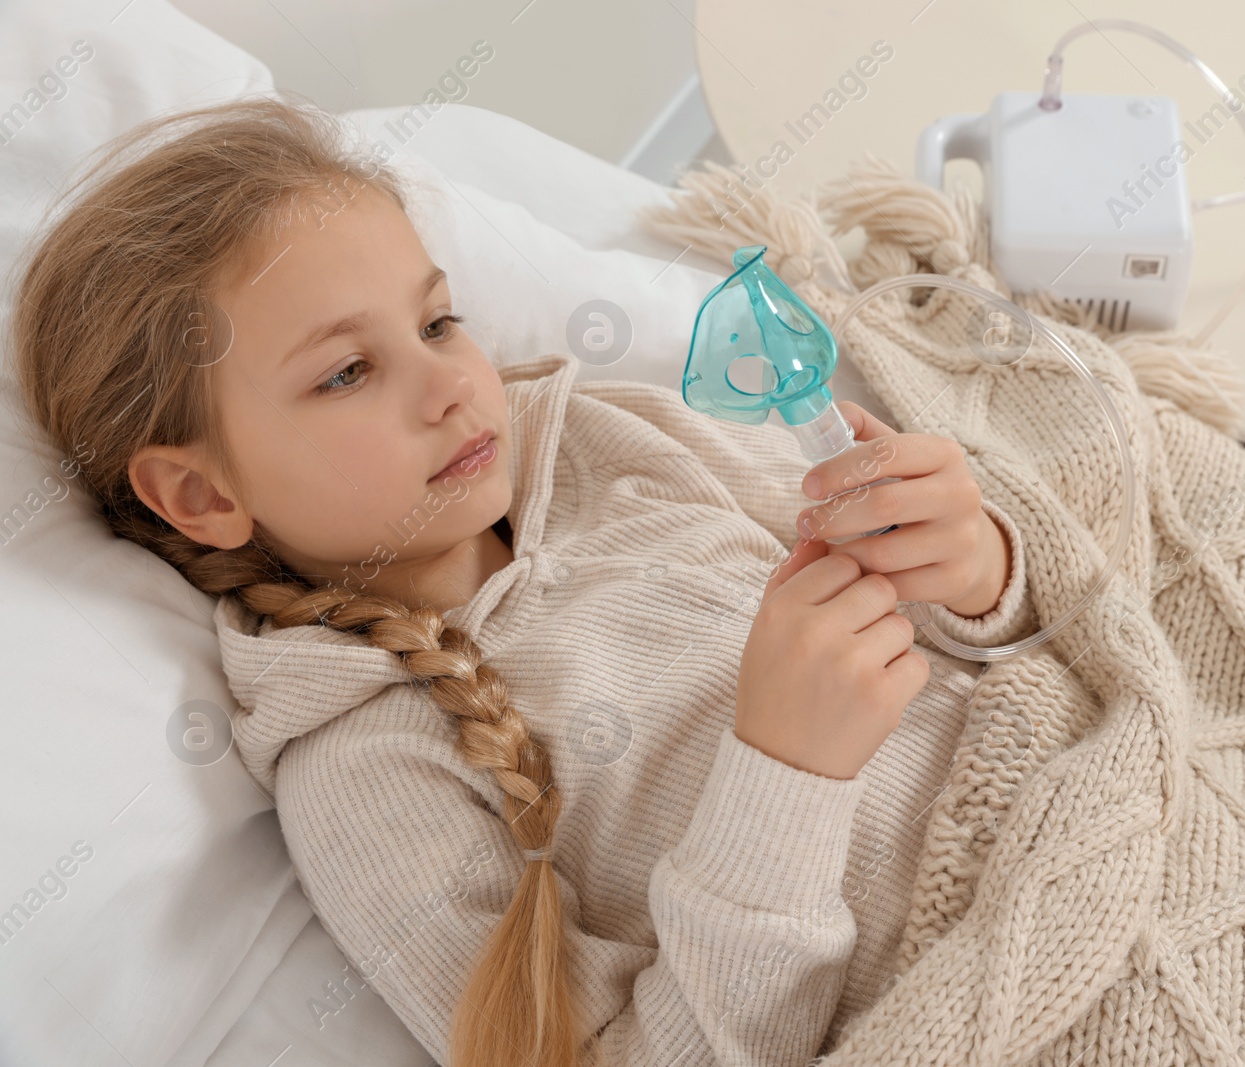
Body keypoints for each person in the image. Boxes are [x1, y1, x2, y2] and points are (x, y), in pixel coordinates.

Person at [8, 95, 1037, 1067]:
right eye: (347, 372)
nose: (453, 383)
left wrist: (978, 568)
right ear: (197, 494)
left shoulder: (610, 435)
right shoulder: (370, 776)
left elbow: (1022, 639)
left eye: (438, 322)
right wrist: (783, 776)